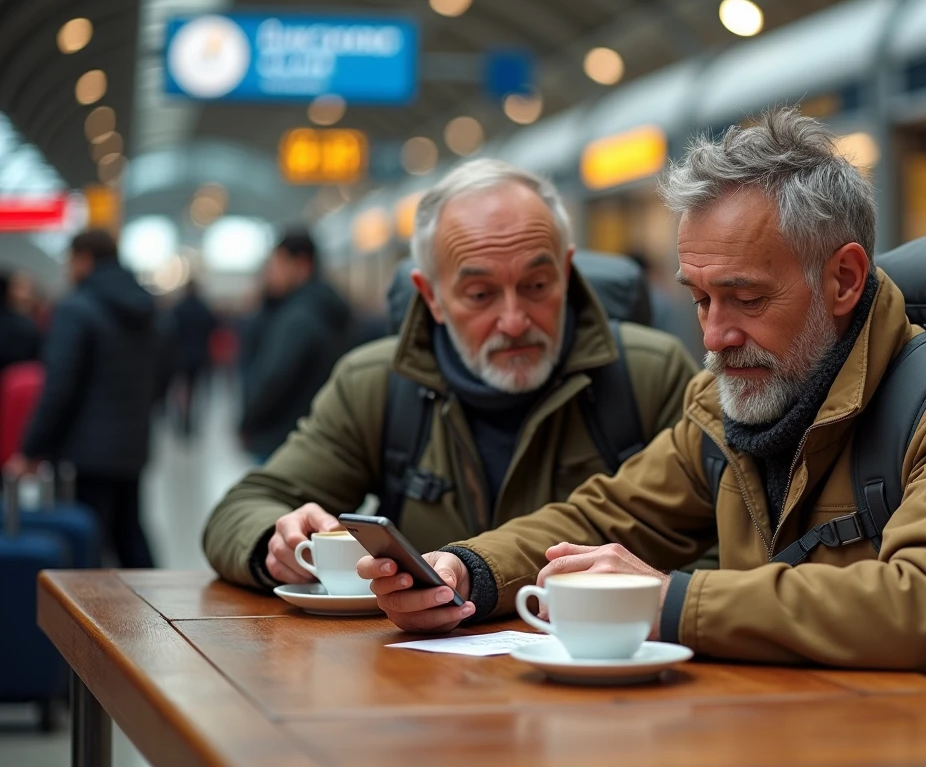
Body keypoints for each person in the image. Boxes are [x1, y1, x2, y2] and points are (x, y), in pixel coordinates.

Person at [361, 109, 926, 721]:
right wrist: (467, 570)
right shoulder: (722, 404)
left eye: (746, 298)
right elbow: (608, 517)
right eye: (699, 299)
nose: (713, 335)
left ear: (844, 279)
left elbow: (923, 605)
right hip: (805, 728)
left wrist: (667, 603)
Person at [203, 160, 698, 590]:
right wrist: (276, 541)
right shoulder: (377, 383)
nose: (514, 320)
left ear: (567, 275)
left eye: (537, 285)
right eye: (481, 295)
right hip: (421, 677)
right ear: (432, 296)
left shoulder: (647, 375)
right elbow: (241, 508)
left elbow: (718, 542)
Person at [5, 230, 161, 568]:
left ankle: (85, 618)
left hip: (84, 453)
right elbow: (164, 373)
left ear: (84, 259)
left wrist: (31, 449)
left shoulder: (76, 308)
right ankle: (156, 614)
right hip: (132, 444)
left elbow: (59, 386)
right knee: (129, 535)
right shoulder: (147, 308)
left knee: (85, 547)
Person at [238, 228, 350, 462]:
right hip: (317, 438)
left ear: (301, 264)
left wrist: (248, 419)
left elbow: (274, 377)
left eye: (278, 264)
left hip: (283, 440)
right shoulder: (328, 307)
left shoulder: (298, 317)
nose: (272, 273)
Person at [170, 281, 219, 437]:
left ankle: (182, 421)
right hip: (200, 355)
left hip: (181, 356)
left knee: (182, 390)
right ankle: (192, 421)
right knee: (196, 391)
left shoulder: (179, 308)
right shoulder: (203, 308)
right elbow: (213, 327)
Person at [0, 269, 41, 372]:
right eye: (19, 288)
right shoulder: (26, 328)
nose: (25, 295)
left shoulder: (37, 325)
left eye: (30, 290)